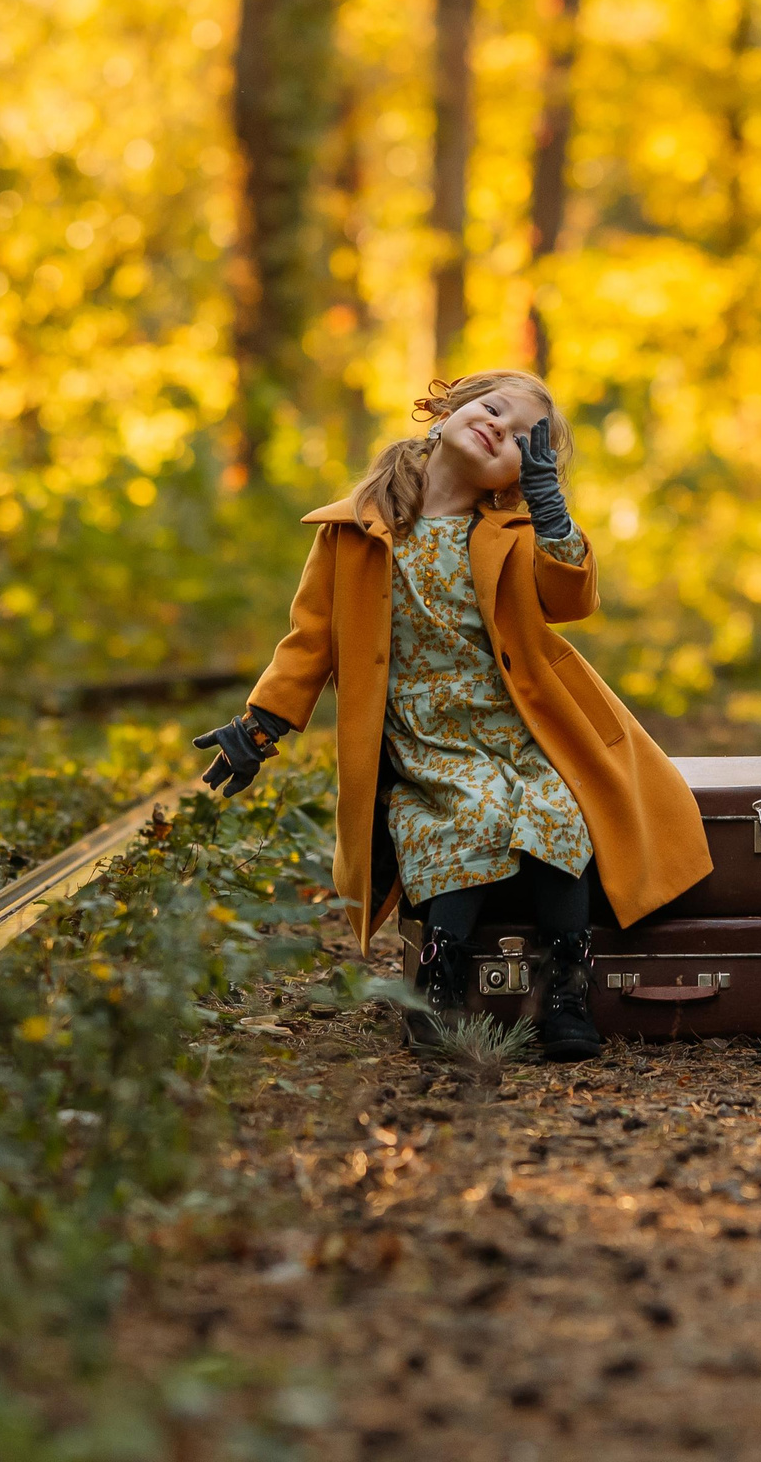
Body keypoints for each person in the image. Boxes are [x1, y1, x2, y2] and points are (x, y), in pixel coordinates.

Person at [193, 370, 711, 1062]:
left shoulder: (514, 531)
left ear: (515, 477)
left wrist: (551, 511)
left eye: (523, 441)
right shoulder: (353, 531)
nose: (500, 427)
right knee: (460, 818)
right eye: (494, 408)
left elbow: (569, 596)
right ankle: (436, 986)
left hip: (520, 731)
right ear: (446, 411)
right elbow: (310, 640)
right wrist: (262, 724)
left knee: (557, 811)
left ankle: (568, 984)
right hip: (428, 742)